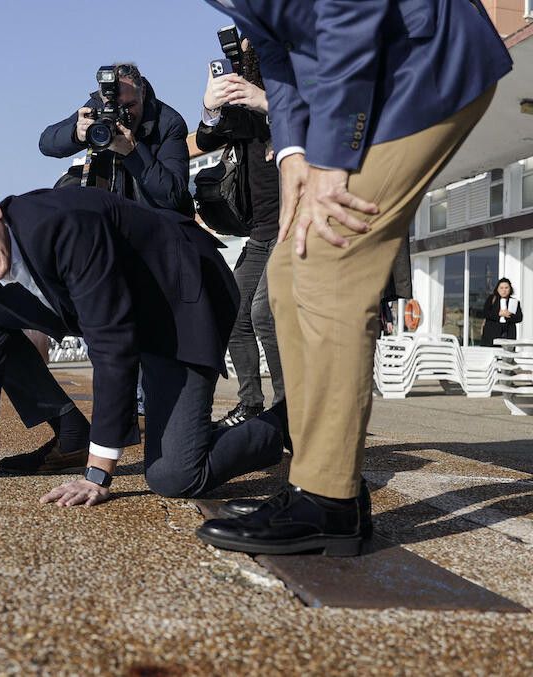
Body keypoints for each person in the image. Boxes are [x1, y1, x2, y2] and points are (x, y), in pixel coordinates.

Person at [197, 0, 512, 556]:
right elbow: (271, 42)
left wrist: (333, 151)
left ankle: (328, 501)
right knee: (288, 271)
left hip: (423, 62)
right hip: (377, 72)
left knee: (330, 261)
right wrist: (293, 148)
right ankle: (316, 480)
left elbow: (351, 9)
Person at [0, 178, 289, 591]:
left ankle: (288, 421)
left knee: (175, 477)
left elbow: (111, 345)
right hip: (124, 321)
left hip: (177, 299)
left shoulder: (61, 225)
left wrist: (98, 474)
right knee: (175, 458)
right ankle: (195, 433)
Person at [195, 39, 285, 427]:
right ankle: (251, 403)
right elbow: (204, 140)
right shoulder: (240, 105)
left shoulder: (289, 88)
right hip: (260, 231)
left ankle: (289, 409)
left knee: (265, 314)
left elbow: (317, 121)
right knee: (233, 311)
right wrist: (212, 107)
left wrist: (266, 101)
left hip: (293, 225)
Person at [39, 63, 195, 218]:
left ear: (143, 93)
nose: (122, 114)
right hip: (108, 210)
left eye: (130, 105)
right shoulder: (98, 108)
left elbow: (174, 196)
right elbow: (46, 143)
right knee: (64, 194)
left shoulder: (169, 123)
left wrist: (133, 153)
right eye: (114, 107)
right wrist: (76, 134)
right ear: (102, 98)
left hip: (152, 220)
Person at [481, 278, 523, 346]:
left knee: (508, 355)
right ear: (497, 289)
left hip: (508, 335)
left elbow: (519, 318)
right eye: (501, 288)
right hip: (492, 335)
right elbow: (485, 313)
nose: (504, 290)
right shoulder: (492, 299)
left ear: (510, 289)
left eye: (506, 288)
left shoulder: (514, 302)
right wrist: (499, 314)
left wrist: (508, 315)